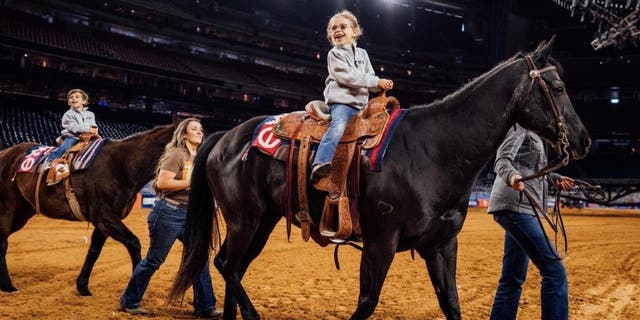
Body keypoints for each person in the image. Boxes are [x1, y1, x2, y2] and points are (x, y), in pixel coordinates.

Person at [119, 118, 222, 319]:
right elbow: (162, 183)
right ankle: (129, 300)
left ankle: (205, 307)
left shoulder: (203, 156)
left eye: (201, 129)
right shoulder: (176, 154)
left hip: (192, 215)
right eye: (194, 129)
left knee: (198, 259)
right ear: (184, 134)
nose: (199, 132)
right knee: (154, 260)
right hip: (169, 212)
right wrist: (191, 182)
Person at [487, 124, 576, 320]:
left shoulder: (534, 132)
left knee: (512, 278)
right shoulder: (519, 127)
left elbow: (531, 168)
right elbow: (502, 160)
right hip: (515, 206)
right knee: (554, 272)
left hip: (521, 207)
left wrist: (555, 178)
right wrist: (512, 176)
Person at [310, 9, 394, 182]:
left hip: (362, 106)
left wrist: (379, 86)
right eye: (333, 29)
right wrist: (375, 82)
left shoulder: (363, 54)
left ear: (354, 31)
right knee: (338, 126)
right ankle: (320, 161)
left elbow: (369, 76)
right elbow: (346, 76)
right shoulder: (334, 54)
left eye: (342, 26)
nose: (337, 30)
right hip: (342, 104)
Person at [47, 88, 98, 161]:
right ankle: (51, 161)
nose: (73, 98)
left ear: (84, 101)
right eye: (71, 97)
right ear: (69, 102)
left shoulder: (91, 114)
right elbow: (74, 128)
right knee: (65, 148)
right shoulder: (68, 114)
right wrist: (87, 129)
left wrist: (95, 129)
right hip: (73, 137)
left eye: (77, 97)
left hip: (87, 137)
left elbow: (93, 124)